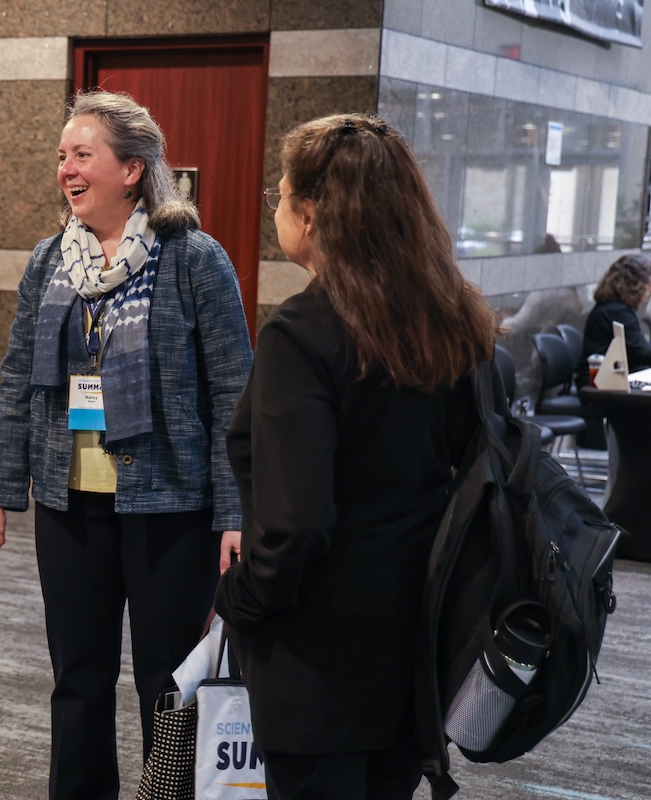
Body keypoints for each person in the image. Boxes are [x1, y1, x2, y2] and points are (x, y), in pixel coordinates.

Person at [0, 89, 253, 799]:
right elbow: (17, 385)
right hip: (69, 499)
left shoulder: (193, 258)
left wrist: (236, 512)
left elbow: (233, 396)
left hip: (171, 505)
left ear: (131, 169)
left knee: (167, 682)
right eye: (62, 156)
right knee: (78, 679)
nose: (66, 168)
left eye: (82, 155)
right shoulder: (48, 261)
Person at [213, 114, 498, 800]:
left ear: (310, 216)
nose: (275, 209)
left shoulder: (302, 335)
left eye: (278, 196)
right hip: (420, 645)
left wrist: (237, 600)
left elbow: (296, 523)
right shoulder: (453, 318)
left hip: (318, 664)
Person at [575, 253, 651, 388]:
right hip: (597, 386)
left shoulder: (613, 308)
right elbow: (641, 352)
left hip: (607, 380)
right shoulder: (616, 312)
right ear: (636, 284)